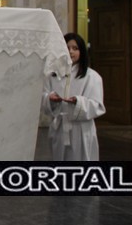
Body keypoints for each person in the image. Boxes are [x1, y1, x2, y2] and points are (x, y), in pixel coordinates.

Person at [42, 33, 105, 161]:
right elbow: (43, 98)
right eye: (67, 47)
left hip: (81, 130)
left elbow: (97, 105)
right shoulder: (52, 75)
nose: (70, 51)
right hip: (59, 128)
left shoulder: (92, 77)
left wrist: (79, 102)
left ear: (82, 51)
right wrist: (50, 99)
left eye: (75, 48)